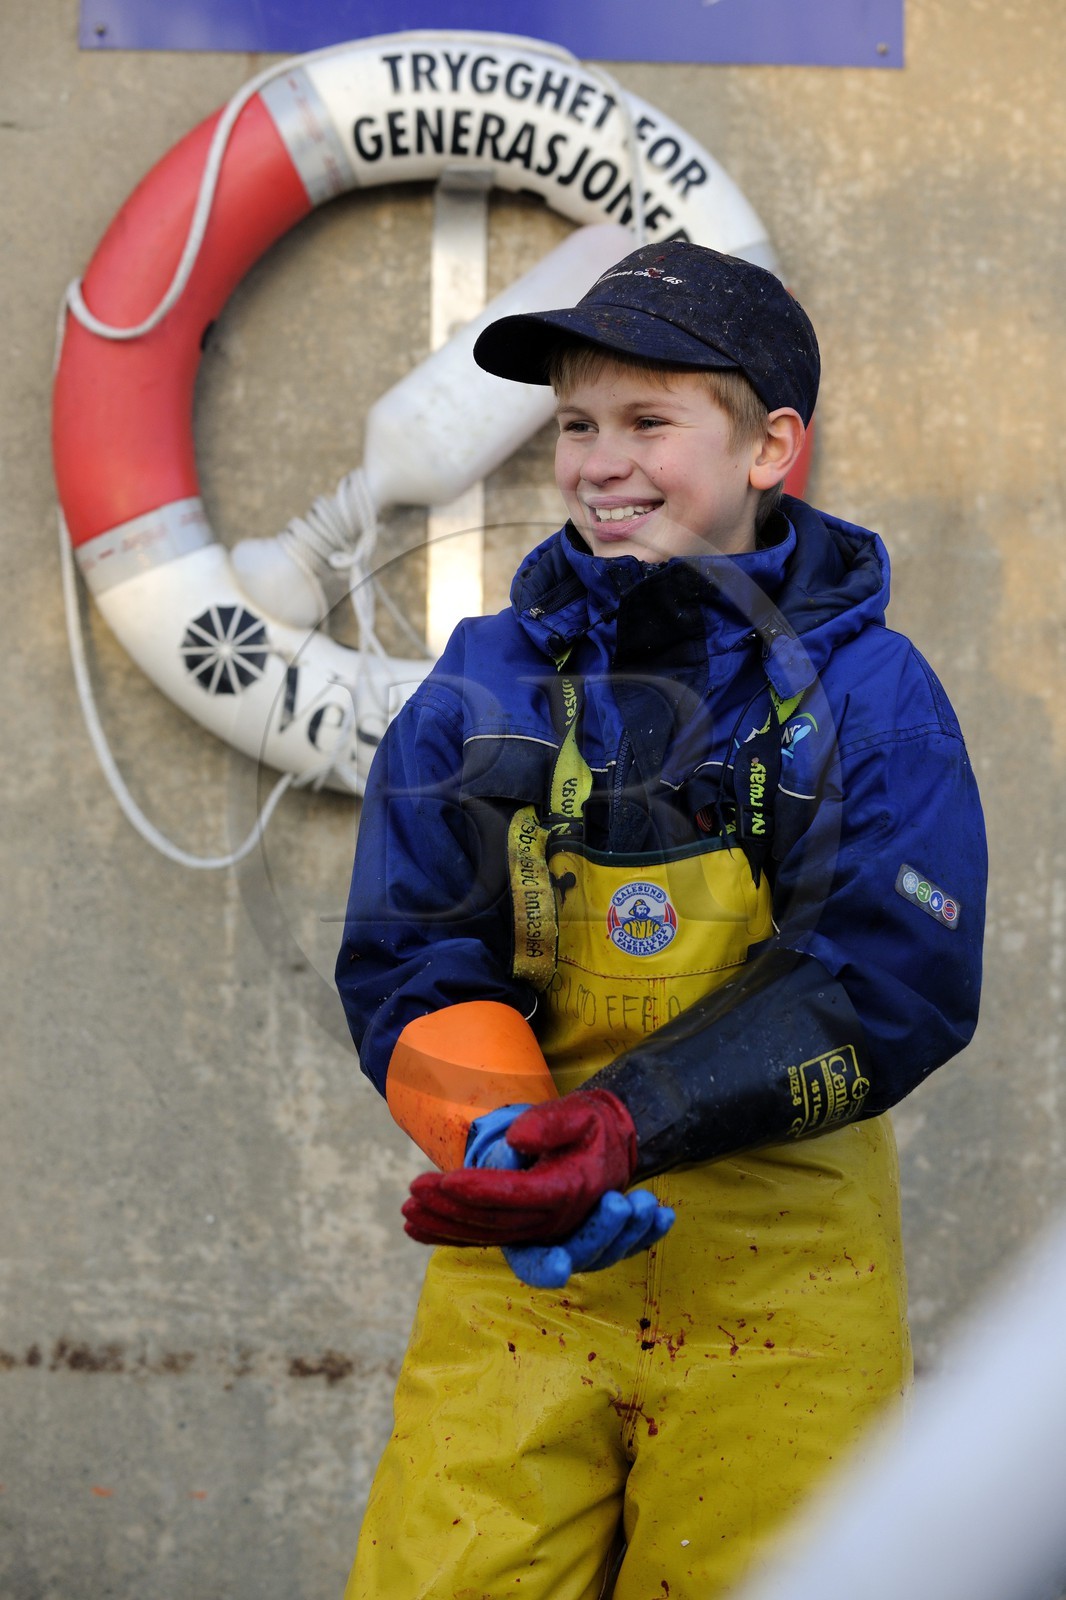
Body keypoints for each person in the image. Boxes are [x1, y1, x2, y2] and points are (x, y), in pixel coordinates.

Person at [335, 239, 986, 1600]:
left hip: (783, 1299)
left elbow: (892, 973)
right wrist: (508, 1140)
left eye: (647, 421)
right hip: (530, 1264)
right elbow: (416, 949)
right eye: (575, 423)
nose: (597, 461)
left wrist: (626, 1122)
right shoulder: (483, 681)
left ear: (769, 448)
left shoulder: (867, 695)